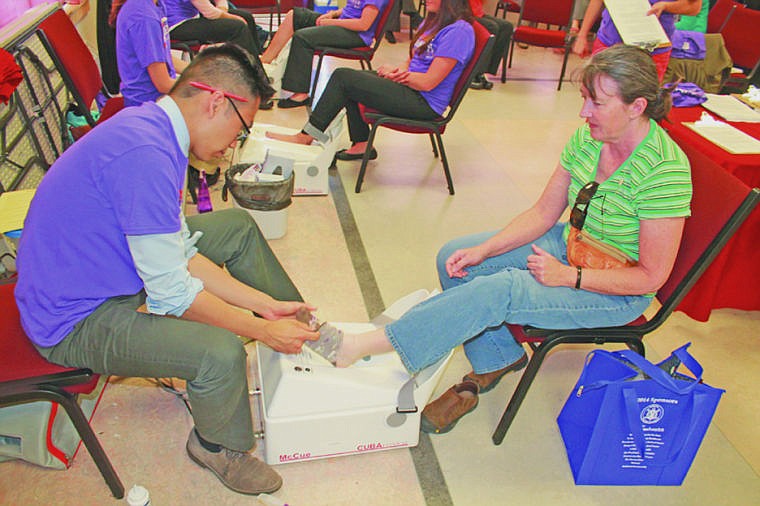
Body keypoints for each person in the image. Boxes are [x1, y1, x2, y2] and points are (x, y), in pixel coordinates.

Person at [321, 44, 693, 434]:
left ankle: (368, 346)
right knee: (460, 257)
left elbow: (650, 277)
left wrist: (570, 277)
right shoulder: (589, 139)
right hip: (575, 246)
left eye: (596, 103)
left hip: (617, 288)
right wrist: (484, 250)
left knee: (502, 290)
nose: (584, 112)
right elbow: (542, 213)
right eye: (584, 99)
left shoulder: (664, 172)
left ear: (636, 107)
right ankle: (497, 358)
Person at [14, 44, 319, 495]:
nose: (235, 144)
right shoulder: (147, 153)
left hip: (103, 267)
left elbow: (179, 252)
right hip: (73, 319)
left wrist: (266, 307)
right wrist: (255, 328)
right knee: (218, 351)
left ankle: (295, 327)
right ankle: (217, 446)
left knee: (233, 226)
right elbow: (173, 294)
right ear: (217, 101)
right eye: (241, 129)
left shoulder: (155, 129)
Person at [265, 0, 475, 162]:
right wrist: (397, 70)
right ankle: (362, 143)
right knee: (350, 78)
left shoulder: (459, 31)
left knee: (344, 78)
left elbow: (428, 82)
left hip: (424, 102)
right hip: (412, 88)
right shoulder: (436, 23)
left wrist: (398, 76)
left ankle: (306, 136)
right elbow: (412, 60)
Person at [259, 0, 388, 108]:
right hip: (343, 24)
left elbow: (363, 25)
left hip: (356, 35)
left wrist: (332, 22)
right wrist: (333, 14)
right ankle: (264, 63)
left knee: (303, 37)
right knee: (294, 16)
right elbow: (352, 9)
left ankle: (300, 94)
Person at [572, 0, 702, 80]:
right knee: (599, 100)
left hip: (652, 48)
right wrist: (582, 34)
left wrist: (666, 6)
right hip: (609, 43)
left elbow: (694, 7)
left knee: (641, 106)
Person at [110, 0, 188, 107]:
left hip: (157, 96)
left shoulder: (155, 5)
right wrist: (198, 86)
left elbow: (162, 55)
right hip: (149, 103)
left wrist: (196, 71)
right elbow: (163, 84)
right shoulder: (144, 17)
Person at [467, 0, 513, 90]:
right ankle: (476, 73)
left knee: (506, 26)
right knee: (492, 27)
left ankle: (486, 71)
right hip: (464, 13)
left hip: (477, 13)